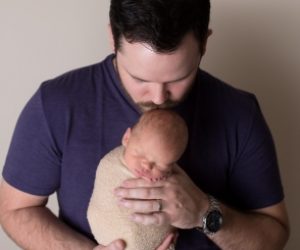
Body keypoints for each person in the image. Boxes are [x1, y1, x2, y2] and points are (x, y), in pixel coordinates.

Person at [0, 0, 289, 249]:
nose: (158, 97)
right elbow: (14, 209)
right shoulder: (57, 104)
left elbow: (274, 236)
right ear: (113, 38)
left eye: (178, 79)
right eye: (139, 79)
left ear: (205, 42)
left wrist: (204, 212)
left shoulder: (239, 113)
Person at [88, 109, 188, 250]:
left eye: (160, 165)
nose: (146, 166)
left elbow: (173, 209)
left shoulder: (173, 183)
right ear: (127, 138)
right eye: (138, 153)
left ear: (172, 166)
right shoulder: (110, 163)